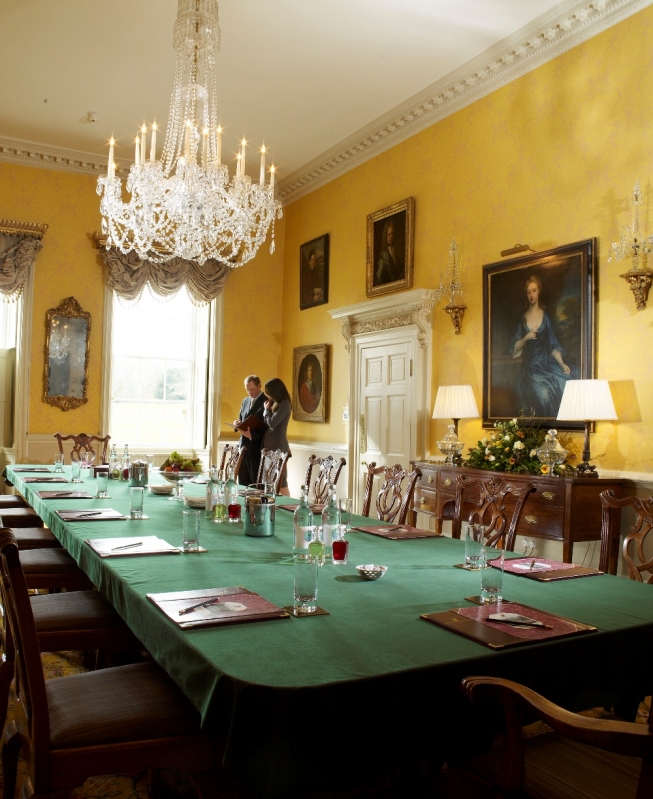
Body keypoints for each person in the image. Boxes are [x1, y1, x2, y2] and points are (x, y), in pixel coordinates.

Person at [511, 275, 578, 418]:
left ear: (539, 291)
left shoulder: (545, 317)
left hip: (547, 364)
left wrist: (561, 363)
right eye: (528, 292)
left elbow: (553, 343)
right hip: (531, 368)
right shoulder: (523, 318)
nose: (531, 295)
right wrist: (526, 338)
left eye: (534, 290)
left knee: (567, 380)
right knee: (544, 395)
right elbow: (515, 347)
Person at [233, 375, 267, 486]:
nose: (249, 392)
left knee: (255, 485)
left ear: (259, 386)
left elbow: (267, 427)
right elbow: (241, 419)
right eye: (247, 389)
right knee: (242, 484)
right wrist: (236, 423)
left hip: (255, 449)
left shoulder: (266, 402)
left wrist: (251, 435)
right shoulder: (245, 401)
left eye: (252, 389)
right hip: (242, 447)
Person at [262, 377, 292, 497]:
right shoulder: (278, 404)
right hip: (271, 445)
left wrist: (266, 410)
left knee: (281, 481)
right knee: (269, 481)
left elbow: (272, 423)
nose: (269, 396)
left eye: (269, 393)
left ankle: (288, 506)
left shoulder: (285, 404)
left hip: (278, 446)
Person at [375, 218, 404, 285]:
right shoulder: (383, 255)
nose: (391, 237)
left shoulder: (394, 252)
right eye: (388, 234)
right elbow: (379, 276)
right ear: (385, 236)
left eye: (392, 234)